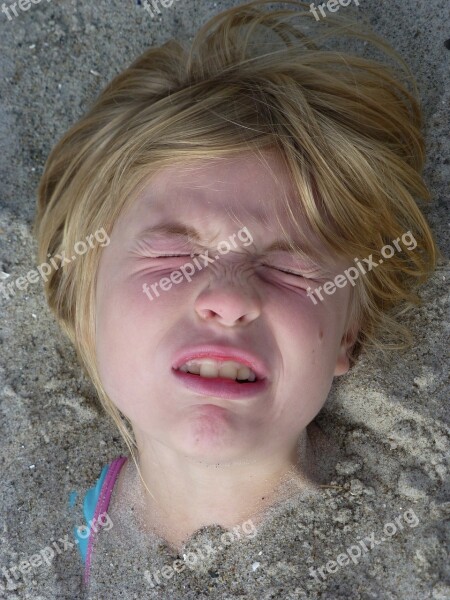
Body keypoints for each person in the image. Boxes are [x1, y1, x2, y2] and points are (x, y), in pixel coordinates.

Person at [33, 0, 438, 588]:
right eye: (173, 254)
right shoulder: (41, 539)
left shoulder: (414, 539)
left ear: (349, 333)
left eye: (289, 266)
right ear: (84, 296)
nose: (227, 298)